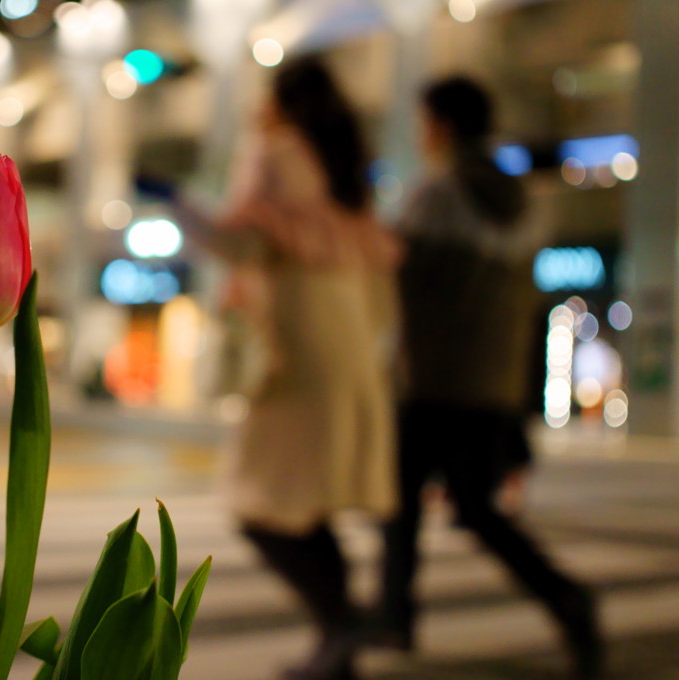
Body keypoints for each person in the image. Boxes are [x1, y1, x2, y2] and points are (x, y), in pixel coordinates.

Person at [179, 55, 401, 680]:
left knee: (262, 503)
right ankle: (339, 641)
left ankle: (342, 623)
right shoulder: (344, 169)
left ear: (280, 99)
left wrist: (180, 206)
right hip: (350, 337)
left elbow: (243, 240)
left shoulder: (274, 151)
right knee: (311, 501)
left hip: (298, 344)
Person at [373, 76, 603, 679]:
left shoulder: (437, 194)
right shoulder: (524, 201)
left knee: (401, 504)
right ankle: (561, 598)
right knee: (474, 507)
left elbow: (403, 290)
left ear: (441, 125)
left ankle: (395, 615)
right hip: (491, 385)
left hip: (431, 380)